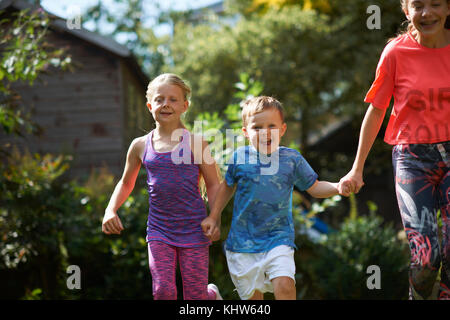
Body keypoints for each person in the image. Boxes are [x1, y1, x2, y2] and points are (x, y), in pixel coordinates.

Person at [338, 0, 450, 299]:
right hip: (413, 158)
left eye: (436, 4)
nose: (427, 13)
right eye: (418, 5)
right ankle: (418, 295)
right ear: (406, 10)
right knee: (427, 257)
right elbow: (376, 111)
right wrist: (357, 167)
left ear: (448, 8)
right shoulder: (396, 53)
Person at [204, 96, 346, 300]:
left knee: (285, 285)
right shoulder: (239, 158)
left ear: (282, 129)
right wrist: (214, 216)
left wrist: (338, 187)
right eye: (257, 127)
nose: (265, 132)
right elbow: (227, 187)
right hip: (242, 243)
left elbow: (314, 188)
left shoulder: (292, 160)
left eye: (272, 126)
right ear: (246, 132)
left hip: (278, 238)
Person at [102, 73, 223, 300]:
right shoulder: (139, 146)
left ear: (184, 106)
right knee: (163, 291)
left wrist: (214, 217)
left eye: (173, 99)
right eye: (159, 99)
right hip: (160, 230)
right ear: (150, 106)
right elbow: (126, 182)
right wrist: (111, 209)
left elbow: (214, 184)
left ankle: (211, 295)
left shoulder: (197, 143)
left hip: (194, 229)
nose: (165, 104)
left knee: (195, 298)